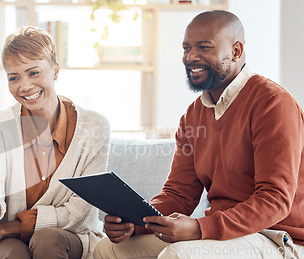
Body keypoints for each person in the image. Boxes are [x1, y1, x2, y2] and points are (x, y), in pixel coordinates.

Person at [94, 10, 304, 259]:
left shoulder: (272, 103)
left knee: (180, 254)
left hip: (275, 237)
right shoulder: (193, 115)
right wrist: (133, 222)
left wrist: (198, 228)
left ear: (236, 51)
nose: (190, 57)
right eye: (186, 48)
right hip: (222, 236)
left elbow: (274, 200)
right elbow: (179, 194)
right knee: (108, 249)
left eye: (204, 48)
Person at [0, 26, 110, 259]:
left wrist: (3, 229)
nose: (24, 86)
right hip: (9, 240)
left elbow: (77, 211)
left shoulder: (95, 127)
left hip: (68, 235)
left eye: (33, 73)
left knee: (47, 239)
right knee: (15, 255)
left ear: (55, 69)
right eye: (14, 78)